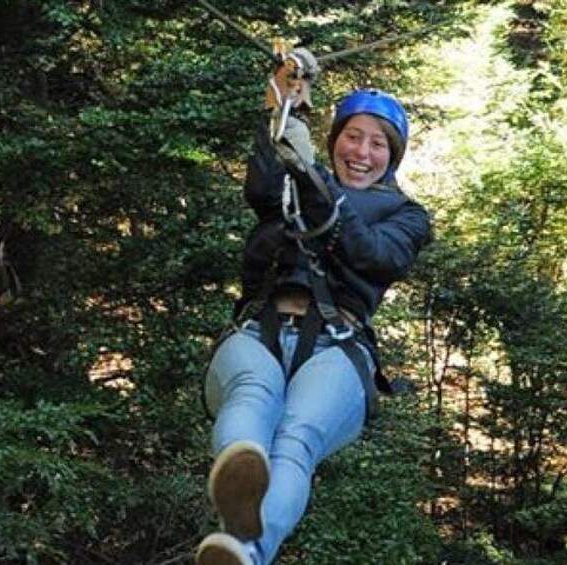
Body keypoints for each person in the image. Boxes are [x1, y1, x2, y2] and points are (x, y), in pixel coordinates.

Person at [196, 48, 431, 565]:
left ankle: (246, 554)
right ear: (334, 139)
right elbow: (262, 182)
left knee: (297, 436)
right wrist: (281, 99)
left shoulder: (408, 216)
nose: (362, 153)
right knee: (252, 396)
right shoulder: (291, 179)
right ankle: (239, 512)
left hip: (338, 348)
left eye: (377, 144)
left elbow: (374, 254)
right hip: (260, 328)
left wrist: (315, 180)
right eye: (353, 136)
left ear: (392, 157)